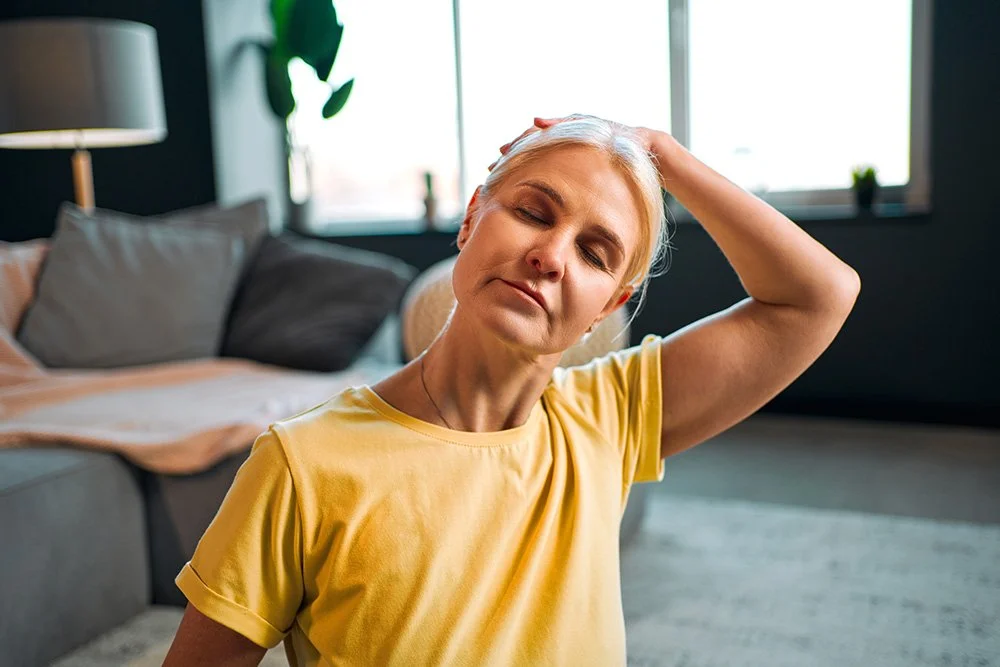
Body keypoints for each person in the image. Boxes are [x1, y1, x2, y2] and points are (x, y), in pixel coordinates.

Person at [164, 114, 860, 666]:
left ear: (605, 306)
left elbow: (819, 296)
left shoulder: (609, 416)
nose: (551, 255)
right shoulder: (302, 463)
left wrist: (661, 152)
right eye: (534, 210)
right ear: (471, 218)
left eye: (594, 251)